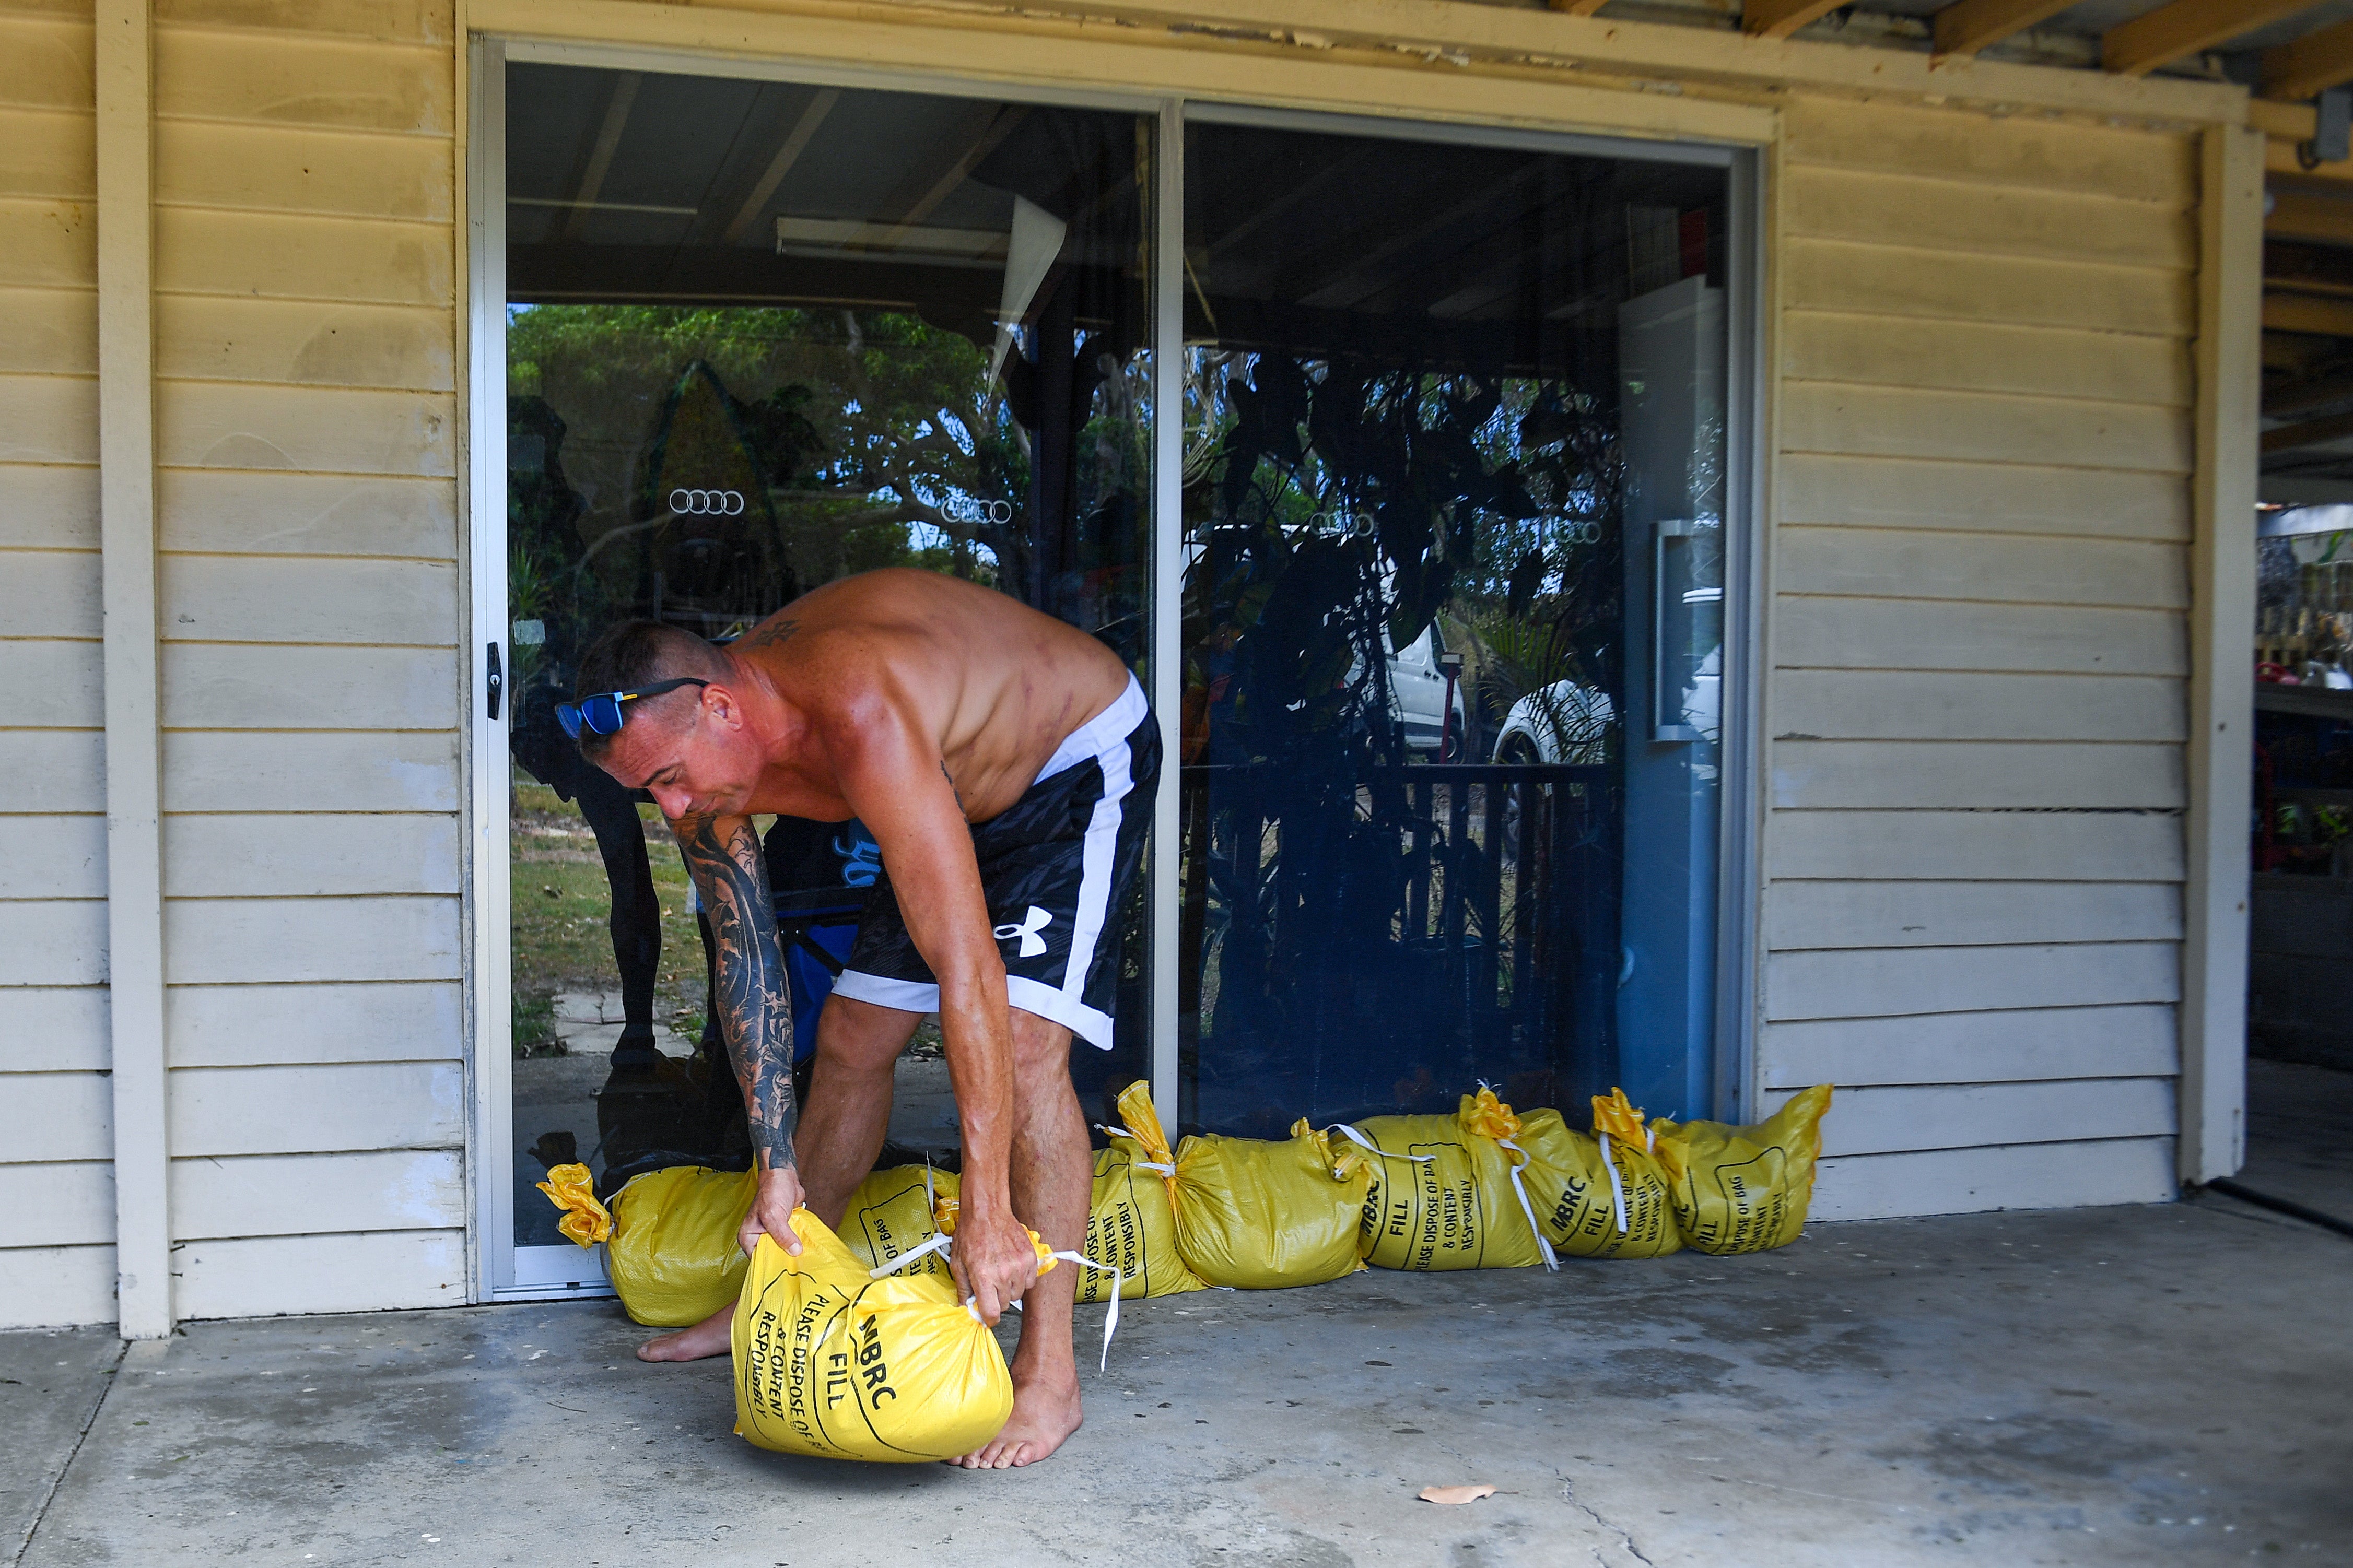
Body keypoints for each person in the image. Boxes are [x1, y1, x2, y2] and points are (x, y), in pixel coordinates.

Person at [563, 568, 1153, 1469]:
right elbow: (747, 959)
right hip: (944, 788)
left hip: (1066, 766)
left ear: (721, 708)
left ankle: (1050, 1373)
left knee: (1029, 1048)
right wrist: (775, 1169)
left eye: (674, 782)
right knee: (849, 1039)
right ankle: (785, 1291)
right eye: (653, 796)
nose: (673, 812)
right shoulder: (706, 777)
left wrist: (985, 1212)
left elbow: (968, 969)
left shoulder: (859, 708)